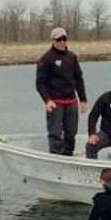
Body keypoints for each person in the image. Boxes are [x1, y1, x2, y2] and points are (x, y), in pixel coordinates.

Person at [36, 27, 88, 155]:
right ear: (53, 40)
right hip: (55, 101)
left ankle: (67, 154)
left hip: (71, 100)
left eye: (64, 39)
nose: (62, 42)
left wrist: (83, 99)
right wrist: (47, 100)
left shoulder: (72, 57)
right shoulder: (46, 59)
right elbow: (40, 83)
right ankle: (55, 155)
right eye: (59, 39)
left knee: (71, 132)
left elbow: (78, 79)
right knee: (55, 132)